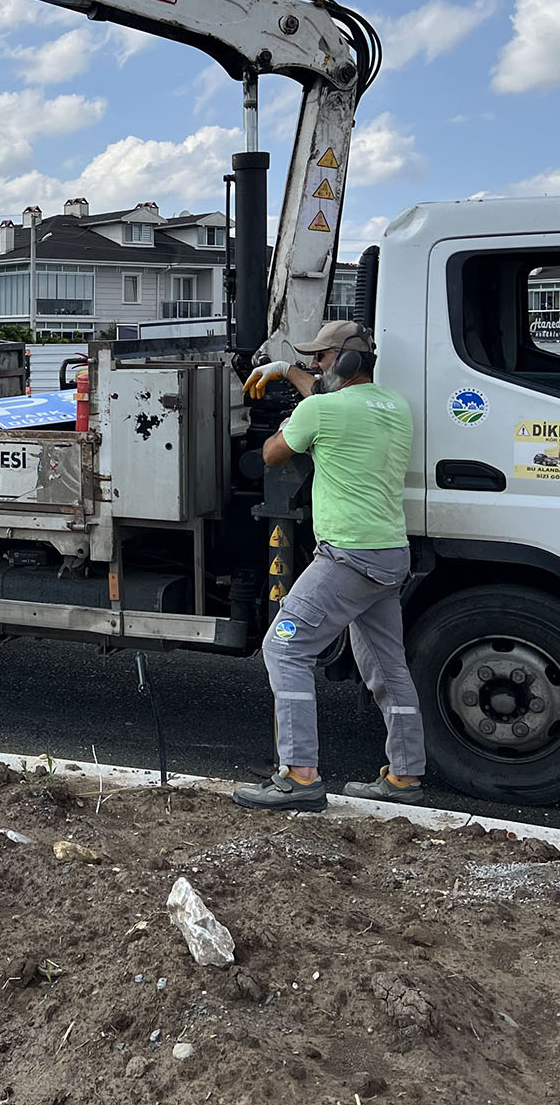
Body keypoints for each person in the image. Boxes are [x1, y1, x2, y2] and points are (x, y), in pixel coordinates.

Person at [231, 320, 424, 812]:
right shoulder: (396, 406)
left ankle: (300, 775)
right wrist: (287, 371)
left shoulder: (320, 410)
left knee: (284, 649)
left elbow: (272, 454)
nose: (314, 364)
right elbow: (331, 399)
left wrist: (292, 417)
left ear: (348, 360)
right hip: (389, 555)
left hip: (346, 557)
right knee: (388, 666)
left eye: (321, 356)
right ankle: (404, 776)